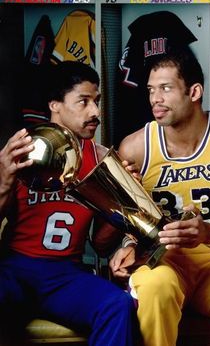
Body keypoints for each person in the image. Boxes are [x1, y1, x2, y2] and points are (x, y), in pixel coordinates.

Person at [0, 61, 139, 346]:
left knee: (117, 306)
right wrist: (3, 180)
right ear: (55, 104)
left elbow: (100, 244)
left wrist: (120, 201)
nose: (95, 112)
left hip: (66, 273)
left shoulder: (100, 158)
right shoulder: (22, 149)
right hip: (15, 269)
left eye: (97, 101)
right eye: (84, 101)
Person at [109, 47, 210, 346]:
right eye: (152, 90)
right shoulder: (135, 148)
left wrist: (207, 231)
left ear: (194, 91)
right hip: (165, 264)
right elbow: (128, 226)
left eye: (166, 88)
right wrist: (127, 245)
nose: (155, 98)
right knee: (154, 286)